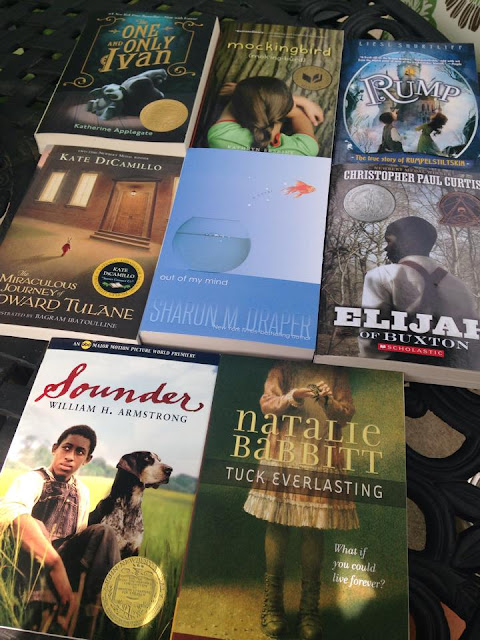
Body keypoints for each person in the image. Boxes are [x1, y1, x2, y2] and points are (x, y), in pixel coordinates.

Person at [243, 362, 359, 640]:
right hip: (284, 452)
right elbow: (267, 404)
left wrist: (328, 401)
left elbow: (346, 414)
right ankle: (273, 606)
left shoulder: (337, 371)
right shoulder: (283, 367)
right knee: (278, 523)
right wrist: (292, 396)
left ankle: (309, 610)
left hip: (320, 453)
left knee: (313, 528)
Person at [0, 424, 121, 635]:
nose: (70, 457)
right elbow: (12, 516)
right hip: (29, 563)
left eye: (79, 452)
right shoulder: (32, 479)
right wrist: (55, 565)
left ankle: (99, 617)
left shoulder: (81, 492)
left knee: (104, 533)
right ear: (55, 448)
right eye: (67, 447)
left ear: (87, 459)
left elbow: (79, 538)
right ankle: (42, 605)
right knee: (33, 525)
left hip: (65, 563)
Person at [360, 216, 479, 365]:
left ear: (406, 242)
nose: (386, 248)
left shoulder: (382, 276)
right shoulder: (460, 287)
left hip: (399, 370)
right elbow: (471, 341)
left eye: (389, 241)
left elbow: (372, 340)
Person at [207, 76, 324, 156]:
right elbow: (298, 114)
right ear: (288, 109)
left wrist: (240, 91)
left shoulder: (221, 137)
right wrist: (303, 102)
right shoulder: (305, 149)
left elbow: (236, 104)